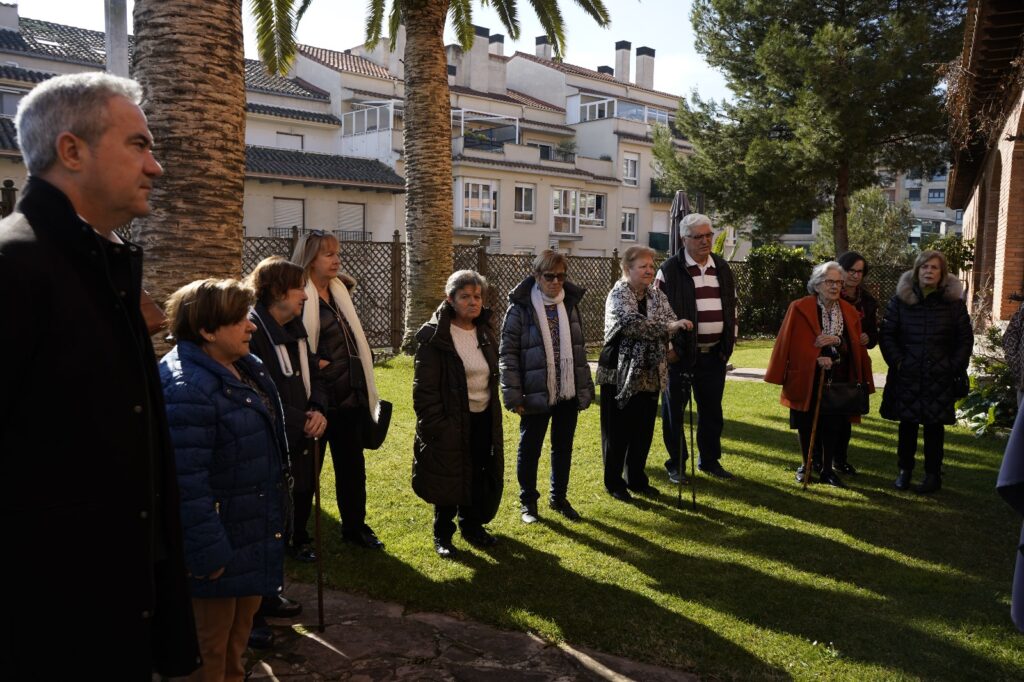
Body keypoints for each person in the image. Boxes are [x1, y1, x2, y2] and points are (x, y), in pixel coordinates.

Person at [0, 72, 199, 678]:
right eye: (139, 145)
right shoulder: (14, 266)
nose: (155, 167)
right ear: (71, 150)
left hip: (115, 621)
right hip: (48, 635)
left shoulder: (97, 266)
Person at [160, 278, 290, 682]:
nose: (251, 326)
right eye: (239, 320)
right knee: (208, 654)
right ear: (207, 330)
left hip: (246, 538)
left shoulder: (244, 366)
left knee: (234, 648)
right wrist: (208, 555)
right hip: (217, 552)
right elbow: (185, 484)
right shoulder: (187, 388)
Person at [246, 256, 329, 648]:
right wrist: (302, 419)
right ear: (278, 291)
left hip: (300, 435)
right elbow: (259, 392)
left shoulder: (295, 329)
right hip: (269, 440)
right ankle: (252, 613)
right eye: (299, 289)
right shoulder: (253, 331)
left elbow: (315, 374)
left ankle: (269, 593)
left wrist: (319, 409)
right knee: (261, 526)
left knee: (282, 519)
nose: (305, 297)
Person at [292, 231, 385, 549]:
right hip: (315, 399)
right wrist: (316, 364)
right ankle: (296, 534)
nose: (336, 260)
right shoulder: (297, 295)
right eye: (328, 254)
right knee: (306, 473)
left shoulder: (339, 291)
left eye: (337, 253)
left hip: (350, 396)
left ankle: (355, 528)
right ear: (310, 259)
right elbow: (292, 343)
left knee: (352, 468)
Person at [413, 270, 504, 557]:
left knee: (478, 472)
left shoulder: (485, 330)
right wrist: (437, 426)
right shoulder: (435, 336)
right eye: (465, 296)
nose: (473, 302)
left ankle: (472, 526)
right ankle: (442, 535)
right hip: (450, 420)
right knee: (449, 475)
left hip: (482, 417)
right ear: (450, 299)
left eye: (477, 296)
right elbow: (424, 390)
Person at [500, 250, 595, 523]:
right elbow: (508, 354)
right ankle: (528, 503)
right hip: (534, 391)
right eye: (550, 276)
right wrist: (513, 394)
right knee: (530, 448)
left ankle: (559, 498)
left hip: (566, 390)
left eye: (561, 277)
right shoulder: (520, 308)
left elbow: (578, 349)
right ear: (537, 275)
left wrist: (584, 388)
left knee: (562, 447)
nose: (556, 282)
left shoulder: (570, 304)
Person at [765, 262, 875, 487]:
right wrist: (815, 357)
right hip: (807, 374)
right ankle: (806, 465)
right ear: (817, 284)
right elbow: (790, 342)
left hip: (838, 377)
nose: (835, 286)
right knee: (804, 422)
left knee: (833, 423)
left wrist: (838, 342)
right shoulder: (799, 307)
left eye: (838, 282)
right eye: (829, 282)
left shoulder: (849, 310)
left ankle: (827, 470)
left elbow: (854, 345)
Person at [879, 250, 972, 494]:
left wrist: (952, 366)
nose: (928, 271)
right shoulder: (899, 301)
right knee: (907, 425)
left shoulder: (954, 305)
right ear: (917, 270)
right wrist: (899, 362)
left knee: (934, 428)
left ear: (942, 273)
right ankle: (904, 471)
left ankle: (933, 476)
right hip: (907, 375)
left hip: (939, 376)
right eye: (924, 267)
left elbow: (965, 340)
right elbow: (887, 335)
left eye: (934, 267)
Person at [597, 246, 685, 501]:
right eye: (642, 266)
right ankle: (614, 482)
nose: (649, 270)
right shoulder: (618, 294)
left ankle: (636, 479)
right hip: (619, 369)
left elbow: (671, 318)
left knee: (643, 429)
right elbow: (633, 325)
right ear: (627, 269)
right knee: (618, 429)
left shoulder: (657, 294)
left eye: (651, 265)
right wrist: (669, 327)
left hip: (651, 371)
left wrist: (671, 326)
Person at [656, 213, 738, 483]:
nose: (705, 241)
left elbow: (732, 308)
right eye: (698, 237)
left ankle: (710, 461)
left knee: (712, 412)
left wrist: (729, 343)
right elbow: (657, 313)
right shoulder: (670, 270)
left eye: (708, 235)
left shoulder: (722, 267)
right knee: (674, 413)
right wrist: (670, 349)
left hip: (714, 355)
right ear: (684, 239)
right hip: (680, 356)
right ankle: (676, 465)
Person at [831, 251, 880, 475]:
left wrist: (869, 337)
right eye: (851, 270)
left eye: (860, 271)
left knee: (846, 414)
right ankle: (818, 460)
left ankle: (840, 460)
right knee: (825, 413)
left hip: (853, 365)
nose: (855, 275)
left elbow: (874, 334)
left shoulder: (868, 302)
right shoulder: (830, 295)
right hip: (830, 361)